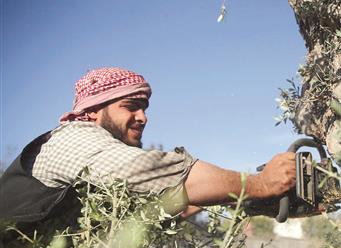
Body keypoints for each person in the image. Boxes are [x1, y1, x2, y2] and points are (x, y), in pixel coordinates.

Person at [0, 67, 296, 223]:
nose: (142, 117)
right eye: (131, 106)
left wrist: (242, 199)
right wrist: (262, 184)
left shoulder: (99, 170)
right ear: (92, 111)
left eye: (145, 108)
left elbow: (145, 216)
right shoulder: (74, 139)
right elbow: (168, 175)